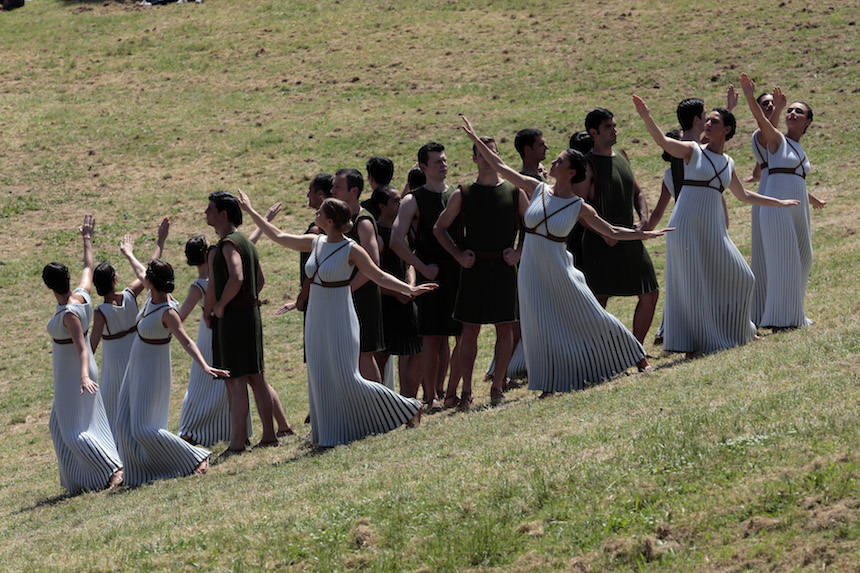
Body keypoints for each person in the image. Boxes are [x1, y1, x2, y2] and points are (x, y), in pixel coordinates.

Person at [461, 117, 669, 394]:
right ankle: (550, 381)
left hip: (561, 270)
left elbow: (613, 232)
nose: (553, 164)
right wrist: (476, 139)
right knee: (539, 326)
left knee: (594, 316)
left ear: (571, 172)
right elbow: (500, 167)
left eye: (560, 161)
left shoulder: (578, 206)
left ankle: (637, 356)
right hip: (531, 272)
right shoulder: (535, 188)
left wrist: (645, 234)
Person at [236, 191, 436, 447]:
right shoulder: (315, 242)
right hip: (316, 318)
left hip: (340, 316)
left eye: (319, 212)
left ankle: (407, 407)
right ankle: (330, 434)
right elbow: (279, 236)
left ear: (330, 220)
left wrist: (409, 289)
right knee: (320, 376)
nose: (315, 214)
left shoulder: (352, 250)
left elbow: (379, 276)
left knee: (347, 376)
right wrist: (252, 211)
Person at [632, 94, 799, 357]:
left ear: (727, 129)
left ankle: (738, 332)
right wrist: (646, 117)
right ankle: (692, 345)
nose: (707, 124)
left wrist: (778, 202)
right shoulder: (691, 151)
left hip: (713, 228)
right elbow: (663, 142)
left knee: (744, 277)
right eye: (706, 120)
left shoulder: (728, 163)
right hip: (685, 225)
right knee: (694, 285)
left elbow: (743, 195)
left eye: (714, 121)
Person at [114, 239, 228, 486]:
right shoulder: (151, 295)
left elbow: (187, 341)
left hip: (153, 371)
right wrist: (128, 253)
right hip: (136, 367)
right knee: (123, 425)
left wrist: (204, 365)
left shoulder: (168, 312)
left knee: (143, 429)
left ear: (152, 283)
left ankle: (196, 456)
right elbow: (139, 270)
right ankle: (139, 474)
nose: (144, 279)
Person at [434, 136, 523, 408]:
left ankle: (498, 385)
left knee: (505, 329)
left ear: (498, 156)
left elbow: (533, 226)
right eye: (481, 154)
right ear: (474, 158)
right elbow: (439, 228)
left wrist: (519, 252)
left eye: (491, 153)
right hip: (474, 269)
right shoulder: (463, 192)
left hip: (503, 268)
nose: (486, 159)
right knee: (469, 331)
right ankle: (467, 390)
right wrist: (459, 255)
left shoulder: (515, 191)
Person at [43, 215, 123, 494]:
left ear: (49, 286)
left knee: (74, 434)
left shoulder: (68, 314)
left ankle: (114, 469)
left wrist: (82, 378)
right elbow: (89, 266)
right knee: (57, 426)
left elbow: (81, 347)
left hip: (77, 375)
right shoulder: (83, 295)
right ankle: (76, 481)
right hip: (73, 375)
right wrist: (86, 238)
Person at [740, 74, 824, 330]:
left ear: (808, 121)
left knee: (804, 257)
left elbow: (796, 179)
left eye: (799, 112)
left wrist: (812, 199)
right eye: (790, 110)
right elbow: (761, 120)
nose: (793, 114)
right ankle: (780, 320)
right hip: (777, 206)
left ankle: (793, 312)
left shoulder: (799, 149)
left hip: (798, 209)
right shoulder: (776, 140)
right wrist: (749, 96)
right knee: (783, 260)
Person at [204, 191, 282, 455]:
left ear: (223, 214)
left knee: (235, 380)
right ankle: (269, 435)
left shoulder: (227, 245)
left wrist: (220, 306)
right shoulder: (247, 243)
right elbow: (259, 281)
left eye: (210, 209)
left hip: (233, 320)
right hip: (250, 316)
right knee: (257, 378)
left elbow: (236, 277)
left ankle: (237, 443)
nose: (206, 213)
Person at [390, 142, 463, 408]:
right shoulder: (413, 200)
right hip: (430, 272)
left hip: (456, 271)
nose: (443, 165)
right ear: (423, 167)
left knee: (459, 334)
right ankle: (430, 395)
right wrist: (422, 270)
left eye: (444, 160)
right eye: (437, 162)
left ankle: (449, 390)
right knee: (432, 338)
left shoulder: (457, 193)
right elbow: (396, 240)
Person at [580, 107, 659, 344]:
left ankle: (636, 351)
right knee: (598, 299)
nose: (614, 130)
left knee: (650, 293)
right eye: (608, 127)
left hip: (628, 236)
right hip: (599, 242)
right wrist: (604, 233)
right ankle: (597, 354)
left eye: (614, 125)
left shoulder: (622, 156)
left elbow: (638, 193)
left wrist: (643, 218)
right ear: (594, 132)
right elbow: (579, 208)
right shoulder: (588, 164)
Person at [91, 217, 169, 441]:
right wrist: (160, 242)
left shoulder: (100, 313)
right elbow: (148, 274)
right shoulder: (129, 295)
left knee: (113, 418)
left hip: (113, 372)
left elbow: (91, 347)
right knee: (137, 411)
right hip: (136, 361)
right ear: (115, 279)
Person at [176, 236, 252, 447]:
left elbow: (179, 317)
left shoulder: (198, 286)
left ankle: (192, 429)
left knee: (201, 384)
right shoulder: (220, 276)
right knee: (230, 383)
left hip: (207, 332)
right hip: (222, 327)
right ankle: (234, 430)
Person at [331, 168, 386, 383]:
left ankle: (383, 411)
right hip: (347, 297)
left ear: (353, 191)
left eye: (338, 187)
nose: (332, 190)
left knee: (364, 354)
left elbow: (372, 264)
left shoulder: (363, 221)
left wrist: (348, 289)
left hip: (362, 298)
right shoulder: (339, 221)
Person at [371, 185, 423, 396]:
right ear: (382, 206)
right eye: (395, 200)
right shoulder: (375, 236)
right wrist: (396, 293)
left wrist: (410, 288)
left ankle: (409, 404)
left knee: (415, 350)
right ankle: (381, 406)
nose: (400, 203)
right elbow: (373, 274)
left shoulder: (402, 229)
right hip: (385, 304)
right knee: (380, 357)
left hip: (407, 299)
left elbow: (409, 262)